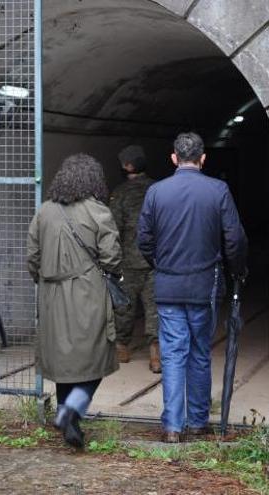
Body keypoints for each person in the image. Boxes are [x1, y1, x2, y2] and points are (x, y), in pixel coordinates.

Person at [137, 132, 247, 443]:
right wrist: (237, 270)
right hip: (205, 286)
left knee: (172, 354)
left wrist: (161, 262)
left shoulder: (156, 192)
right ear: (203, 158)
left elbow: (143, 239)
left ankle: (173, 425)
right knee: (199, 352)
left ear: (174, 157)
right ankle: (198, 421)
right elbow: (234, 239)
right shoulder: (218, 190)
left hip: (168, 285)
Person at [27, 153, 122, 449]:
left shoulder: (44, 211)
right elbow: (112, 257)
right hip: (87, 292)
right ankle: (72, 411)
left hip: (51, 294)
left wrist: (45, 280)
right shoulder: (99, 211)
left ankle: (66, 412)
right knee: (96, 355)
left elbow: (32, 256)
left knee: (63, 358)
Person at [110, 145, 160, 373]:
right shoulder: (158, 190)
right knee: (155, 307)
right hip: (155, 260)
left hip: (128, 262)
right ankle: (155, 355)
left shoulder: (120, 193)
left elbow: (113, 229)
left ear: (127, 166)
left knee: (124, 307)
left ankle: (122, 348)